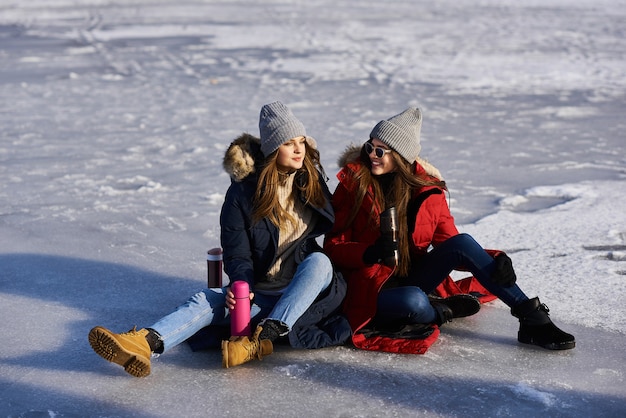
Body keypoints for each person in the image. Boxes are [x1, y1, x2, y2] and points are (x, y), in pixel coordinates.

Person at [89, 101, 350, 377]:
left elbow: (346, 218)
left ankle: (264, 337)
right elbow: (237, 251)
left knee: (320, 262)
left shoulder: (311, 182)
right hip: (261, 294)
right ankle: (143, 343)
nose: (299, 150)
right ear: (273, 149)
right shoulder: (242, 195)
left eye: (302, 142)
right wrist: (241, 284)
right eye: (289, 143)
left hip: (303, 295)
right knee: (205, 299)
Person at [324, 106, 575, 353]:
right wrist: (369, 252)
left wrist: (496, 259)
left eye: (381, 150)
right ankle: (443, 311)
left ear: (402, 156)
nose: (372, 155)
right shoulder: (353, 186)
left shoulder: (428, 192)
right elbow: (333, 246)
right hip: (368, 286)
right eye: (369, 146)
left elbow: (454, 245)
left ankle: (532, 317)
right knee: (414, 301)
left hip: (413, 276)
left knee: (463, 242)